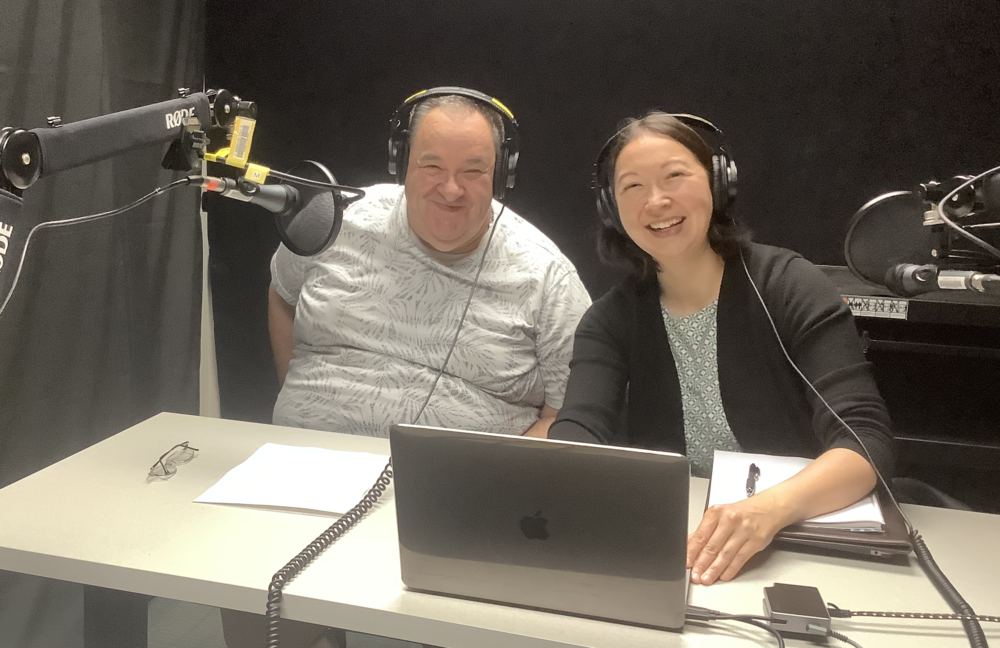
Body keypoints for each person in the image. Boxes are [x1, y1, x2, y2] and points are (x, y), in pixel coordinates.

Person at [223, 88, 592, 648]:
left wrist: (496, 485)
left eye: (474, 171)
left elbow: (571, 409)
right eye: (432, 166)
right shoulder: (335, 219)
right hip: (302, 484)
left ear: (503, 173)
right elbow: (282, 292)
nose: (451, 188)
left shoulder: (546, 277)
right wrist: (296, 387)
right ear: (401, 162)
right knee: (248, 600)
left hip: (457, 513)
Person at [546, 112, 895, 588]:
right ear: (613, 209)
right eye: (632, 187)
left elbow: (864, 443)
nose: (657, 201)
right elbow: (580, 426)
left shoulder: (790, 284)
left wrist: (766, 510)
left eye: (675, 176)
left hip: (798, 537)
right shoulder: (609, 320)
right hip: (681, 543)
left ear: (717, 182)